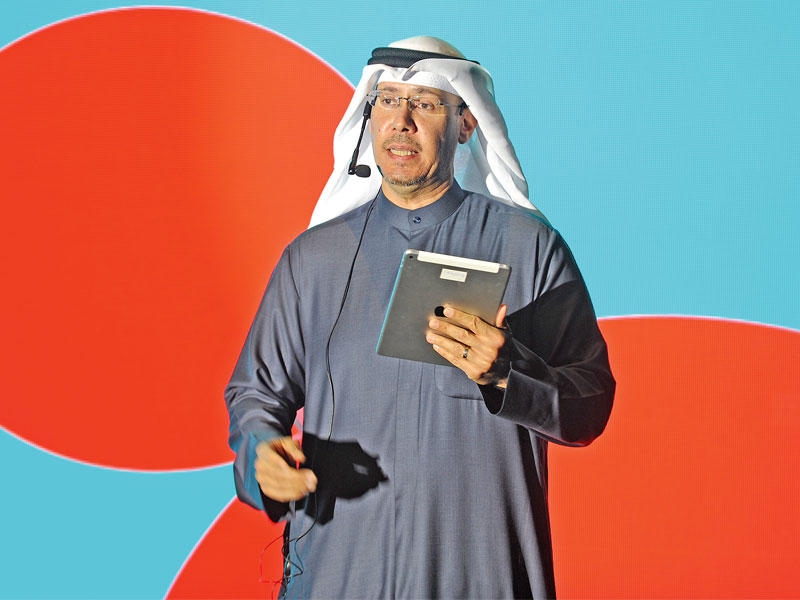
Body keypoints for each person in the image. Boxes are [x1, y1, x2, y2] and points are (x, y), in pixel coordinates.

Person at [226, 36, 615, 599]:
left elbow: (590, 405)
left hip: (481, 576)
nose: (400, 122)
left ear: (466, 124)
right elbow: (255, 396)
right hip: (339, 573)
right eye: (387, 101)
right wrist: (261, 452)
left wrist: (507, 372)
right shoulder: (313, 259)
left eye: (425, 104)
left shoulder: (529, 248)